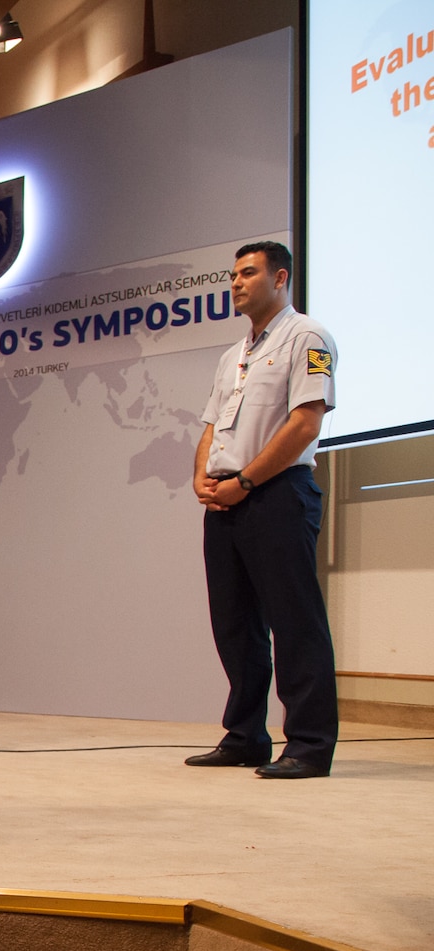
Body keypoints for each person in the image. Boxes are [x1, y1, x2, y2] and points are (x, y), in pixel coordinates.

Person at [185, 241, 338, 780]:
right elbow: (210, 427)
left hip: (277, 494)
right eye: (232, 274)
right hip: (225, 501)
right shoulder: (234, 355)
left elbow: (305, 424)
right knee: (235, 625)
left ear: (281, 278)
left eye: (248, 273)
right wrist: (204, 476)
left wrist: (247, 480)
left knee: (295, 623)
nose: (236, 283)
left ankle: (310, 745)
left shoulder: (308, 338)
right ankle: (246, 736)